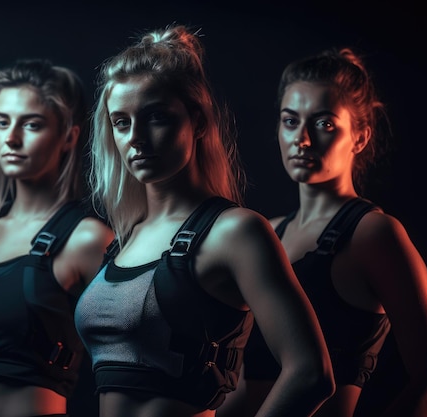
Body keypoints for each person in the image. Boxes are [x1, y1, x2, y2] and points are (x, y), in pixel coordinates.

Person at [73, 24, 335, 417]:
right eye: (121, 122)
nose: (136, 138)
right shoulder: (124, 238)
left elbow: (311, 374)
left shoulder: (235, 231)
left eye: (155, 117)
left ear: (196, 121)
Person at [218, 48, 427, 417]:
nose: (303, 139)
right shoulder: (268, 232)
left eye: (324, 123)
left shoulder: (373, 234)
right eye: (290, 121)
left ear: (360, 137)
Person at [0, 58, 114, 417]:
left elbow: (125, 365)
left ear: (68, 137)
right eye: (2, 122)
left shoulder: (88, 239)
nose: (11, 138)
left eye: (31, 124)